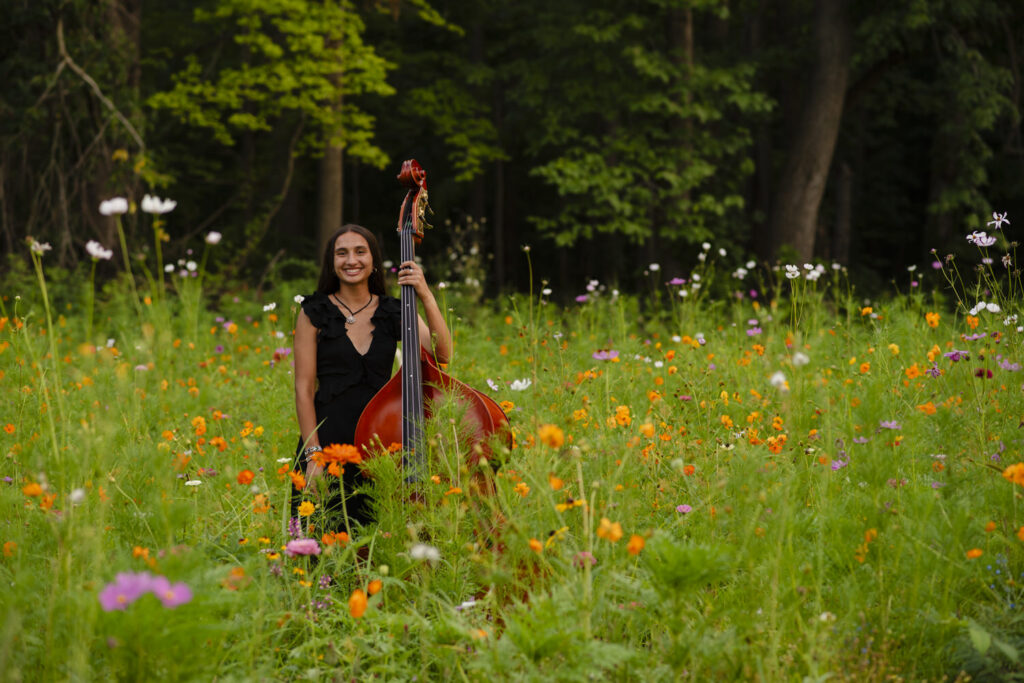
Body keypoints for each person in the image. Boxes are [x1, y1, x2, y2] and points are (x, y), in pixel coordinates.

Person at [293, 223, 451, 528]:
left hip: (380, 443)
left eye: (360, 251)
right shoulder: (313, 312)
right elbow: (304, 387)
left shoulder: (395, 310)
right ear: (332, 262)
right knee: (320, 544)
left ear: (374, 260)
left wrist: (425, 294)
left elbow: (441, 356)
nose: (351, 260)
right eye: (342, 253)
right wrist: (313, 455)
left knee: (378, 538)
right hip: (327, 442)